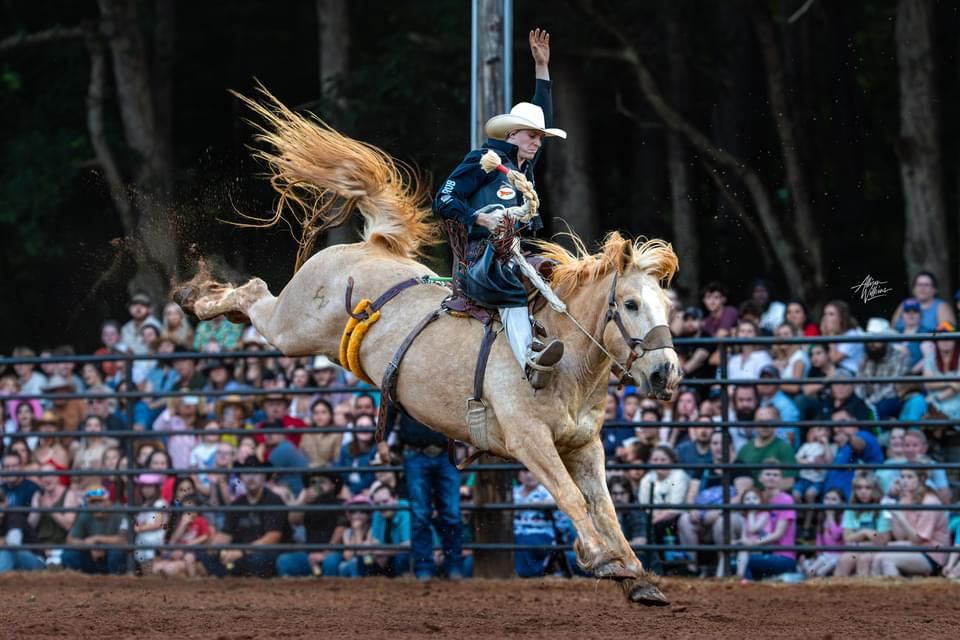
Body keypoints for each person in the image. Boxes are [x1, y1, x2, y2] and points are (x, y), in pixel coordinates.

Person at [433, 28, 566, 390]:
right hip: (480, 258)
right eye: (531, 136)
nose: (537, 143)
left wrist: (542, 68)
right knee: (510, 285)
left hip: (518, 250)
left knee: (564, 273)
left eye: (540, 138)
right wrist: (478, 217)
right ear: (512, 135)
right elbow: (442, 201)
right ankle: (529, 361)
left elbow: (543, 113)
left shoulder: (523, 167)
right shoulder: (484, 160)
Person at [379, 410, 463, 581]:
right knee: (424, 514)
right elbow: (390, 408)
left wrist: (382, 439)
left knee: (445, 513)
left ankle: (441, 566)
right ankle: (435, 566)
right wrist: (382, 440)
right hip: (424, 452)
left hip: (439, 453)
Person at [200, 457, 289, 578]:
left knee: (259, 559)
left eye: (256, 473)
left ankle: (228, 575)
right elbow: (227, 534)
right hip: (241, 552)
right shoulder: (237, 504)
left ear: (263, 476)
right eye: (246, 473)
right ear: (241, 477)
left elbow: (273, 537)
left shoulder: (273, 500)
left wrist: (241, 551)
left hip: (264, 552)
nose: (251, 477)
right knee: (206, 554)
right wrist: (215, 545)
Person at [871, 468, 950, 577]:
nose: (904, 481)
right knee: (877, 555)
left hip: (933, 554)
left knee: (884, 559)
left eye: (909, 477)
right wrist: (891, 513)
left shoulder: (930, 502)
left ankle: (896, 591)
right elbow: (900, 536)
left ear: (921, 479)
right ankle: (881, 592)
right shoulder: (906, 499)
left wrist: (899, 515)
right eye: (902, 476)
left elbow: (918, 539)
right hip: (917, 547)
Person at [275, 472, 345, 577]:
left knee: (331, 562)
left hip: (332, 553)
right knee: (284, 561)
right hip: (309, 555)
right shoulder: (307, 505)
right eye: (313, 482)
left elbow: (341, 528)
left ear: (332, 486)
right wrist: (303, 501)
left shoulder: (339, 503)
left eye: (322, 482)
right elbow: (293, 520)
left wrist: (325, 553)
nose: (317, 486)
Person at [741, 462, 798, 581]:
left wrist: (755, 542)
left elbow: (778, 534)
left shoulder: (786, 500)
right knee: (736, 562)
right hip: (761, 552)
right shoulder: (756, 498)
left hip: (782, 556)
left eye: (776, 475)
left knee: (746, 561)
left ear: (781, 479)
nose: (771, 477)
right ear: (760, 478)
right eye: (768, 474)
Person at [833, 471, 891, 577]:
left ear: (875, 490)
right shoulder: (851, 509)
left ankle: (864, 591)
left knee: (864, 560)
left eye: (868, 488)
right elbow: (847, 538)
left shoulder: (882, 508)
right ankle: (837, 591)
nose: (863, 492)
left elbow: (883, 540)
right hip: (857, 550)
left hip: (875, 551)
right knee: (844, 560)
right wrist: (865, 533)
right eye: (859, 488)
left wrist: (868, 536)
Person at [63, 485, 129, 575]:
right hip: (92, 556)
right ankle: (81, 581)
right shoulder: (85, 513)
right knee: (69, 554)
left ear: (108, 502)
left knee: (117, 552)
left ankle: (117, 579)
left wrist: (97, 539)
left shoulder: (119, 512)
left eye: (99, 501)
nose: (96, 506)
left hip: (112, 556)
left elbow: (125, 540)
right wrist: (88, 546)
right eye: (93, 502)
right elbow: (70, 539)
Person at [733, 407, 797, 493]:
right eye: (760, 421)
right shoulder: (744, 449)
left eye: (769, 421)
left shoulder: (784, 448)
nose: (765, 425)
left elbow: (789, 482)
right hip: (749, 501)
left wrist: (763, 496)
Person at [822, 412, 884, 500]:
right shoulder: (842, 446)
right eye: (835, 424)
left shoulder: (863, 435)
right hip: (830, 502)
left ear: (854, 421)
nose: (838, 427)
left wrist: (849, 438)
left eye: (842, 421)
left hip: (850, 503)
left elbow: (860, 444)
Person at [857, 318, 908, 419]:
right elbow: (859, 383)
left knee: (883, 407)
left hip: (889, 399)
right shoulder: (865, 358)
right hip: (869, 399)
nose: (872, 344)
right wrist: (862, 399)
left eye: (876, 340)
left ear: (885, 341)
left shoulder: (898, 357)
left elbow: (893, 387)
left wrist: (870, 402)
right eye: (869, 340)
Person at [890, 271, 956, 332]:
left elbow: (948, 335)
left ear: (935, 289)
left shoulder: (941, 307)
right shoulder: (904, 304)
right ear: (913, 289)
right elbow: (892, 329)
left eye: (926, 285)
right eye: (919, 284)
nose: (922, 288)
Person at [0, 486, 46, 572]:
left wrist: (3, 541)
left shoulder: (14, 515)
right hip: (13, 560)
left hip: (35, 560)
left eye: (1, 501)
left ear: (6, 502)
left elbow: (14, 543)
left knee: (8, 550)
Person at [800, 488, 844, 578]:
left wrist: (830, 516)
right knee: (810, 571)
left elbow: (836, 535)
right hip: (826, 555)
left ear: (842, 503)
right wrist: (818, 555)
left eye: (834, 499)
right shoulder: (822, 516)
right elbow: (819, 539)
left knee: (821, 573)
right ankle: (807, 565)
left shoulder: (843, 516)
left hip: (838, 555)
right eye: (827, 499)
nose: (829, 502)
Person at [132, 473, 168, 572]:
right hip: (143, 541)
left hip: (154, 542)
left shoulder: (160, 503)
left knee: (152, 569)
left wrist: (139, 528)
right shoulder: (145, 505)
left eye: (150, 486)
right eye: (144, 486)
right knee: (146, 569)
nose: (146, 489)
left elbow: (158, 523)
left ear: (156, 488)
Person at [819, 300, 863, 373]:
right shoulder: (836, 333)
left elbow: (834, 359)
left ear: (841, 317)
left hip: (849, 373)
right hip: (837, 372)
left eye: (831, 314)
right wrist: (824, 333)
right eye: (825, 314)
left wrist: (831, 334)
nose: (826, 318)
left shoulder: (852, 335)